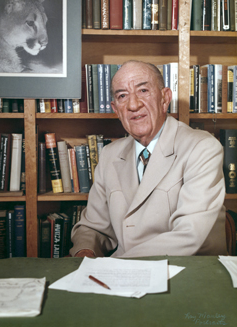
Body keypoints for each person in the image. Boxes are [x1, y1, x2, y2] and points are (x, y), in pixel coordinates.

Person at [70, 60, 227, 258]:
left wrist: (114, 265)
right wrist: (85, 253)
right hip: (122, 277)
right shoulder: (109, 154)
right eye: (122, 96)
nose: (133, 105)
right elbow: (94, 227)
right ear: (116, 109)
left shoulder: (202, 147)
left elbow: (189, 235)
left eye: (143, 90)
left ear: (165, 98)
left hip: (184, 274)